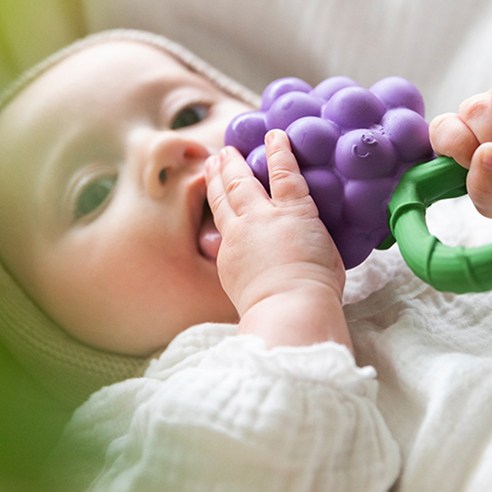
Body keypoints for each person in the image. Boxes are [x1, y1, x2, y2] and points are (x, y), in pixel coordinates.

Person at [0, 28, 491, 491]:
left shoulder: (434, 219)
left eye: (188, 115)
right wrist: (285, 298)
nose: (165, 149)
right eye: (94, 192)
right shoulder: (127, 432)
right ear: (48, 330)